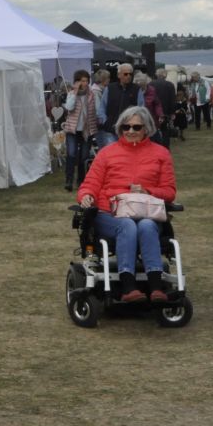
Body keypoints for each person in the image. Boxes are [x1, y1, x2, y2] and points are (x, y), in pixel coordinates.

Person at [78, 105, 177, 303]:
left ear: (147, 129)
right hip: (109, 213)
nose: (131, 131)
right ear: (120, 128)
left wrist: (148, 191)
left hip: (145, 212)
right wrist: (86, 196)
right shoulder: (106, 153)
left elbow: (169, 192)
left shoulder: (161, 154)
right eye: (126, 127)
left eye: (136, 127)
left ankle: (156, 287)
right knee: (127, 225)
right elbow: (90, 184)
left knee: (147, 226)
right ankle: (128, 286)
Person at [60, 69, 100, 191]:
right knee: (71, 154)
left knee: (84, 156)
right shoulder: (72, 93)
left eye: (87, 80)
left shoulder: (92, 94)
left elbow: (97, 109)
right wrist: (75, 93)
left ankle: (81, 180)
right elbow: (69, 107)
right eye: (82, 81)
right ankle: (69, 180)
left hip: (87, 130)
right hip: (72, 129)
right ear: (77, 82)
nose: (85, 83)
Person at [100, 63, 138, 143]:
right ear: (119, 75)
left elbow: (141, 109)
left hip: (129, 130)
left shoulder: (136, 89)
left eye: (130, 74)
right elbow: (102, 107)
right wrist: (105, 121)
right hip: (111, 129)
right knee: (112, 150)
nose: (128, 76)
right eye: (125, 74)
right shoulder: (110, 88)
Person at [149, 68, 177, 147]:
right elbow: (172, 100)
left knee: (153, 130)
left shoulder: (151, 84)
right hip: (166, 112)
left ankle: (155, 147)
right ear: (165, 75)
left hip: (153, 112)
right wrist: (172, 112)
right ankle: (165, 147)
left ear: (156, 74)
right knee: (165, 131)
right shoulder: (170, 85)